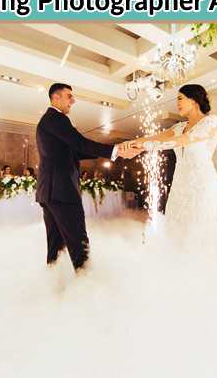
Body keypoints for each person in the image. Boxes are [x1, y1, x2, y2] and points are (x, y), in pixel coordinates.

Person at [35, 83, 139, 271]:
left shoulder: (49, 121)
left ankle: (53, 282)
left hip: (49, 192)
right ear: (55, 98)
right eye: (69, 96)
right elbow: (80, 144)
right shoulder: (57, 119)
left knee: (56, 243)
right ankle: (86, 287)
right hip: (62, 191)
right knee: (78, 242)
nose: (73, 101)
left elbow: (75, 151)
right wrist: (114, 150)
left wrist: (115, 152)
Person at [125, 84, 217, 247]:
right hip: (180, 183)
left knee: (200, 227)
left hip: (203, 183)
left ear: (193, 100)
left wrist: (147, 146)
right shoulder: (178, 127)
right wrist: (131, 144)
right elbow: (154, 137)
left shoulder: (212, 122)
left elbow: (184, 140)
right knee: (177, 226)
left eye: (180, 98)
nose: (177, 103)